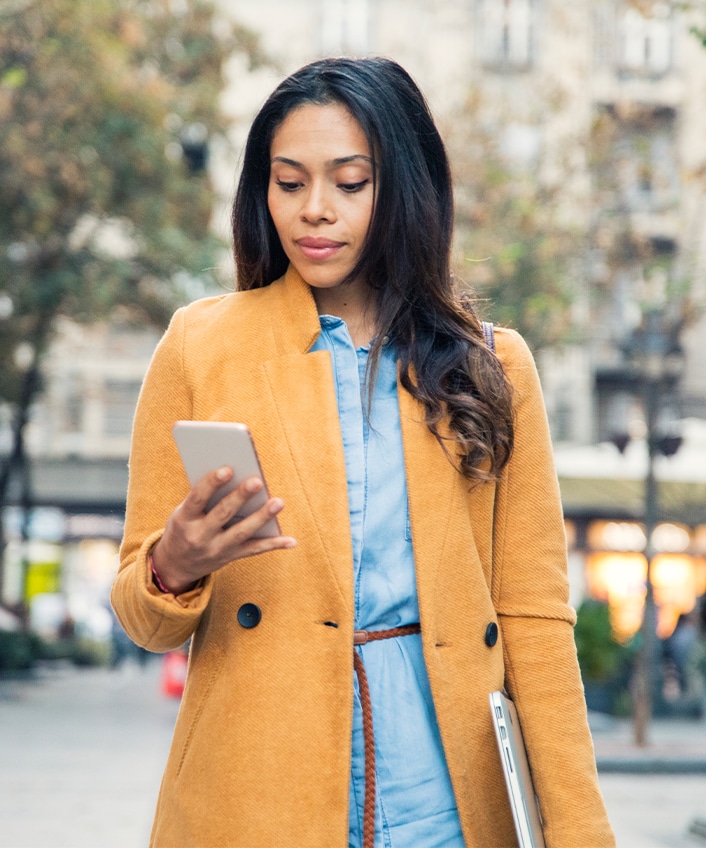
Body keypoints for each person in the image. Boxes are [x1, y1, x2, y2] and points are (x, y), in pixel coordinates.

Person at [111, 56, 615, 848]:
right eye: (289, 182)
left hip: (444, 783)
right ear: (261, 191)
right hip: (256, 779)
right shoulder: (200, 348)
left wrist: (582, 830)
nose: (315, 211)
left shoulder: (492, 363)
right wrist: (171, 566)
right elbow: (144, 621)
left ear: (404, 188)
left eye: (351, 183)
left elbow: (535, 620)